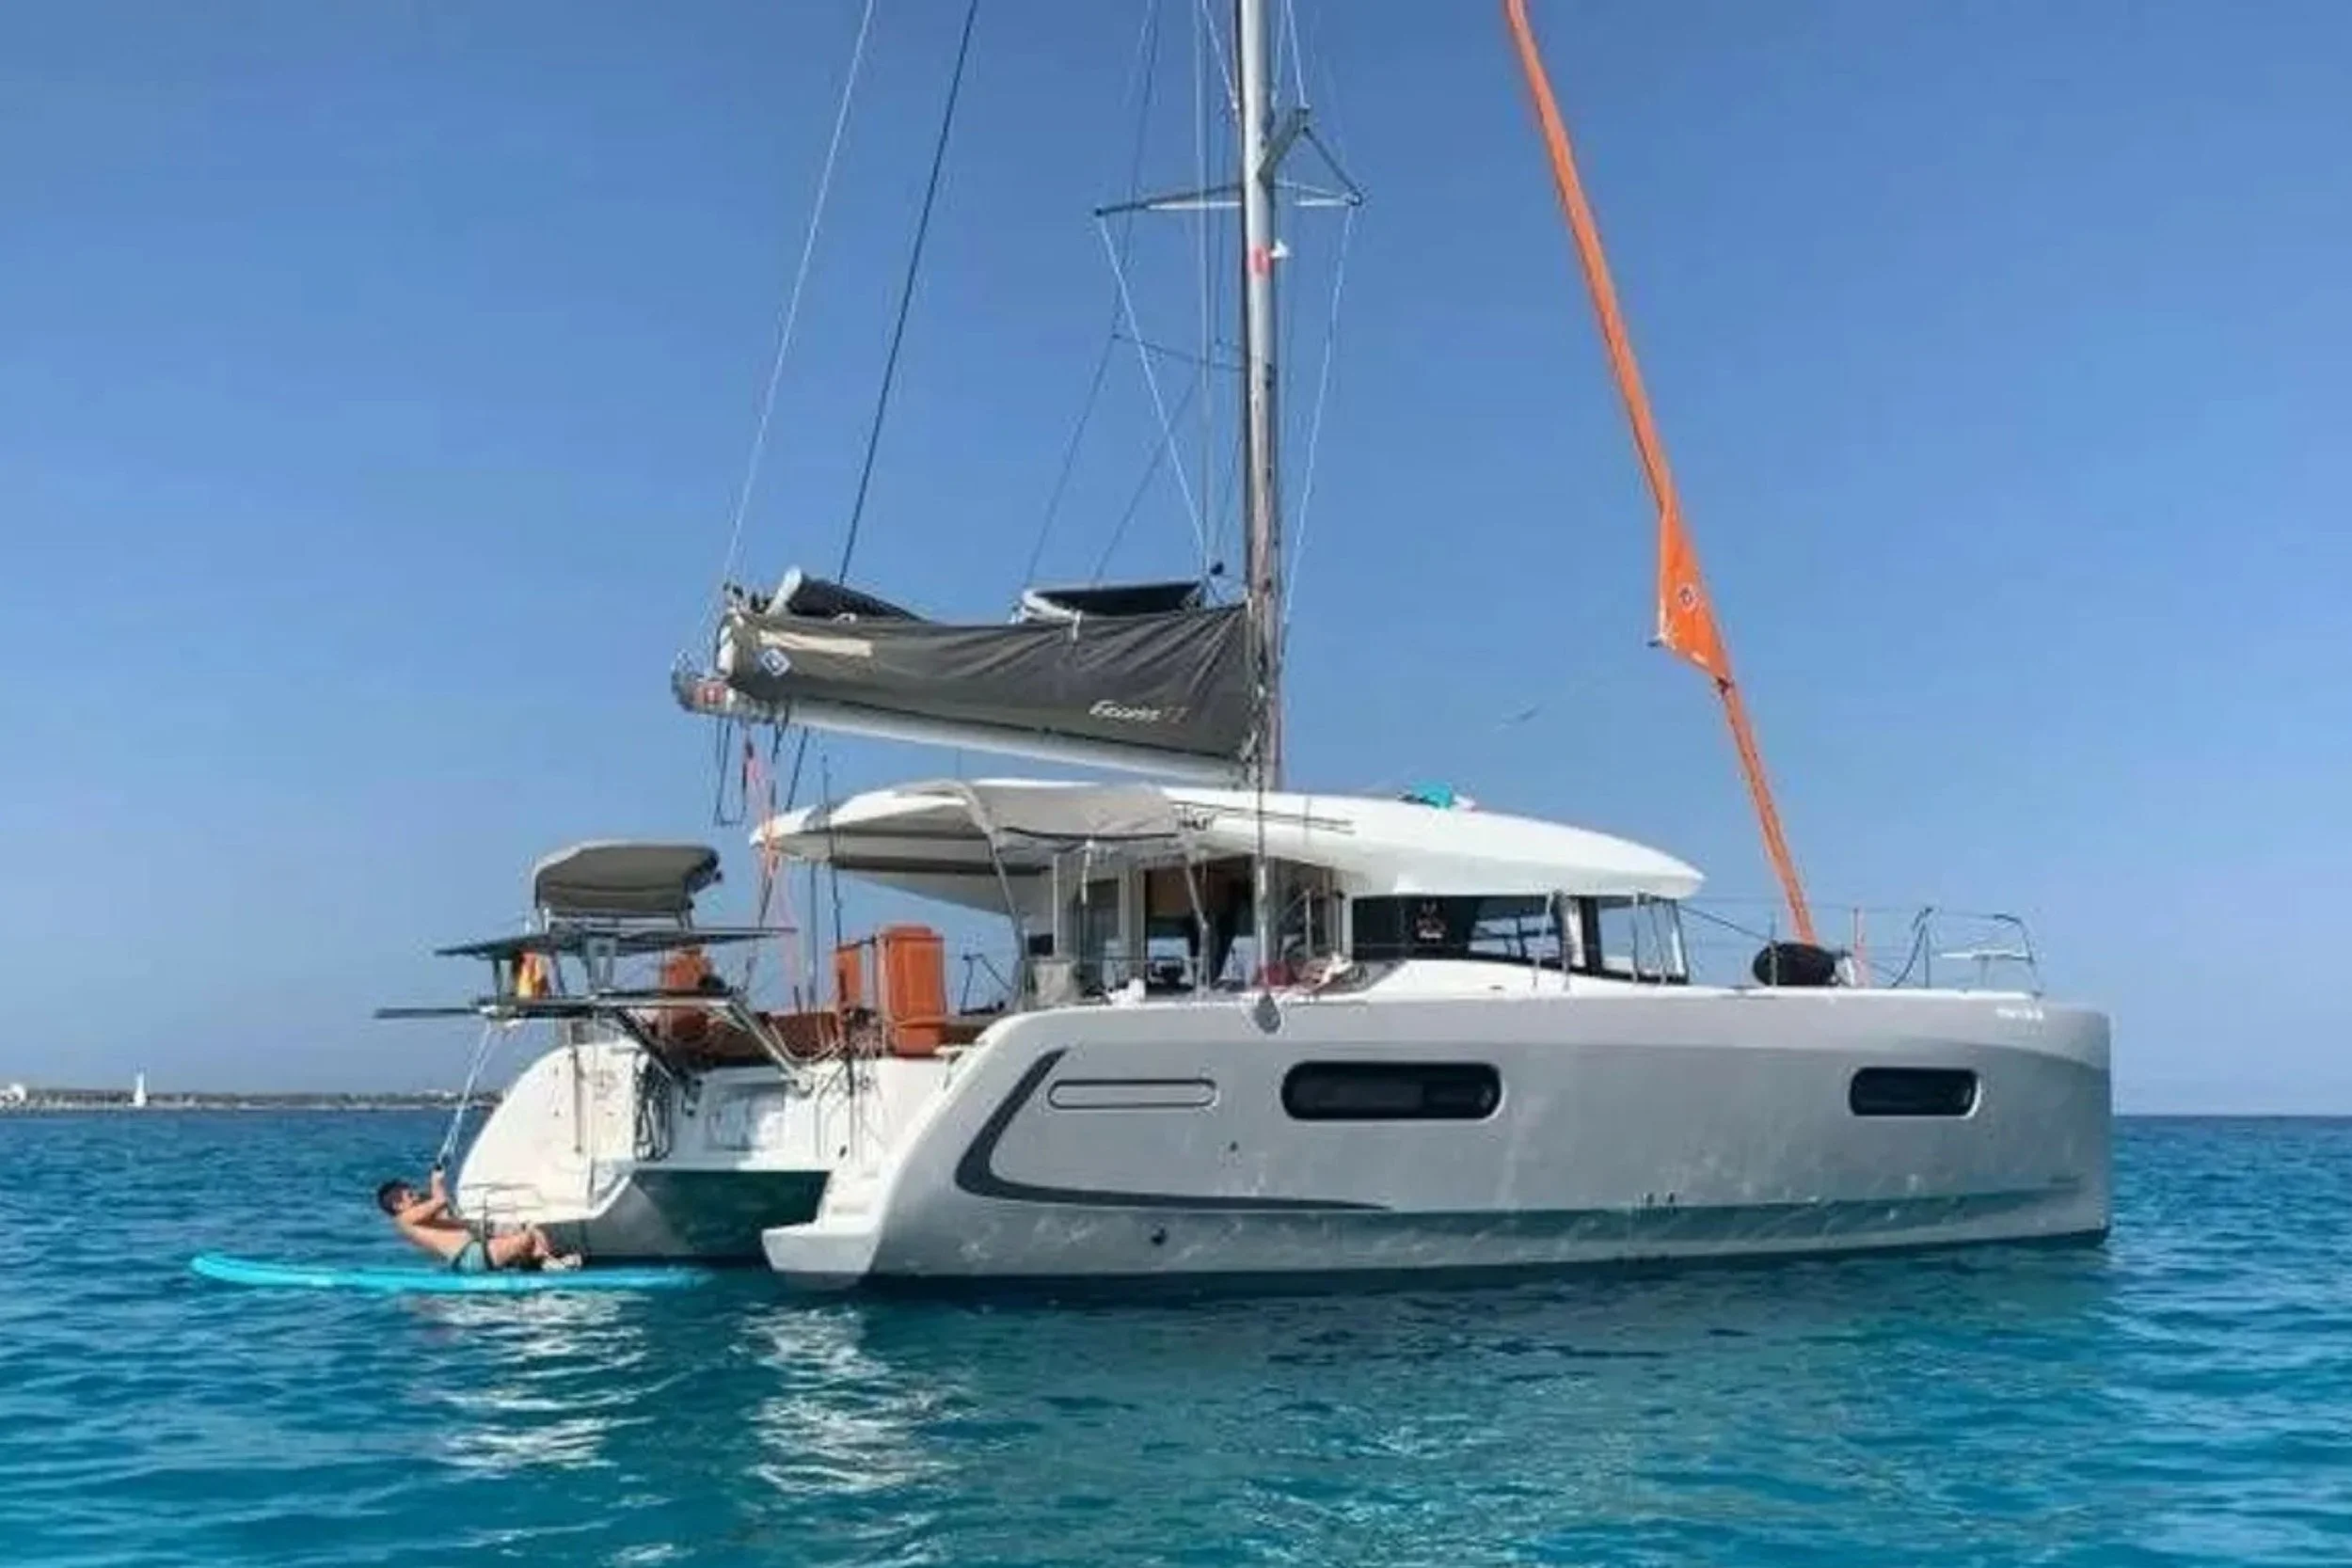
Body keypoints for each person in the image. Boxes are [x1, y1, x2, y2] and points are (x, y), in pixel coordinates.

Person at [373, 1166, 579, 1273]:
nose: (415, 1195)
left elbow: (448, 1215)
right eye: (409, 1195)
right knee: (527, 1237)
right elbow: (441, 1200)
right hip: (471, 1256)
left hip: (475, 1252)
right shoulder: (405, 1218)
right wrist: (436, 1180)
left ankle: (540, 1262)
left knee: (529, 1229)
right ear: (397, 1205)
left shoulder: (416, 1219)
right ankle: (548, 1264)